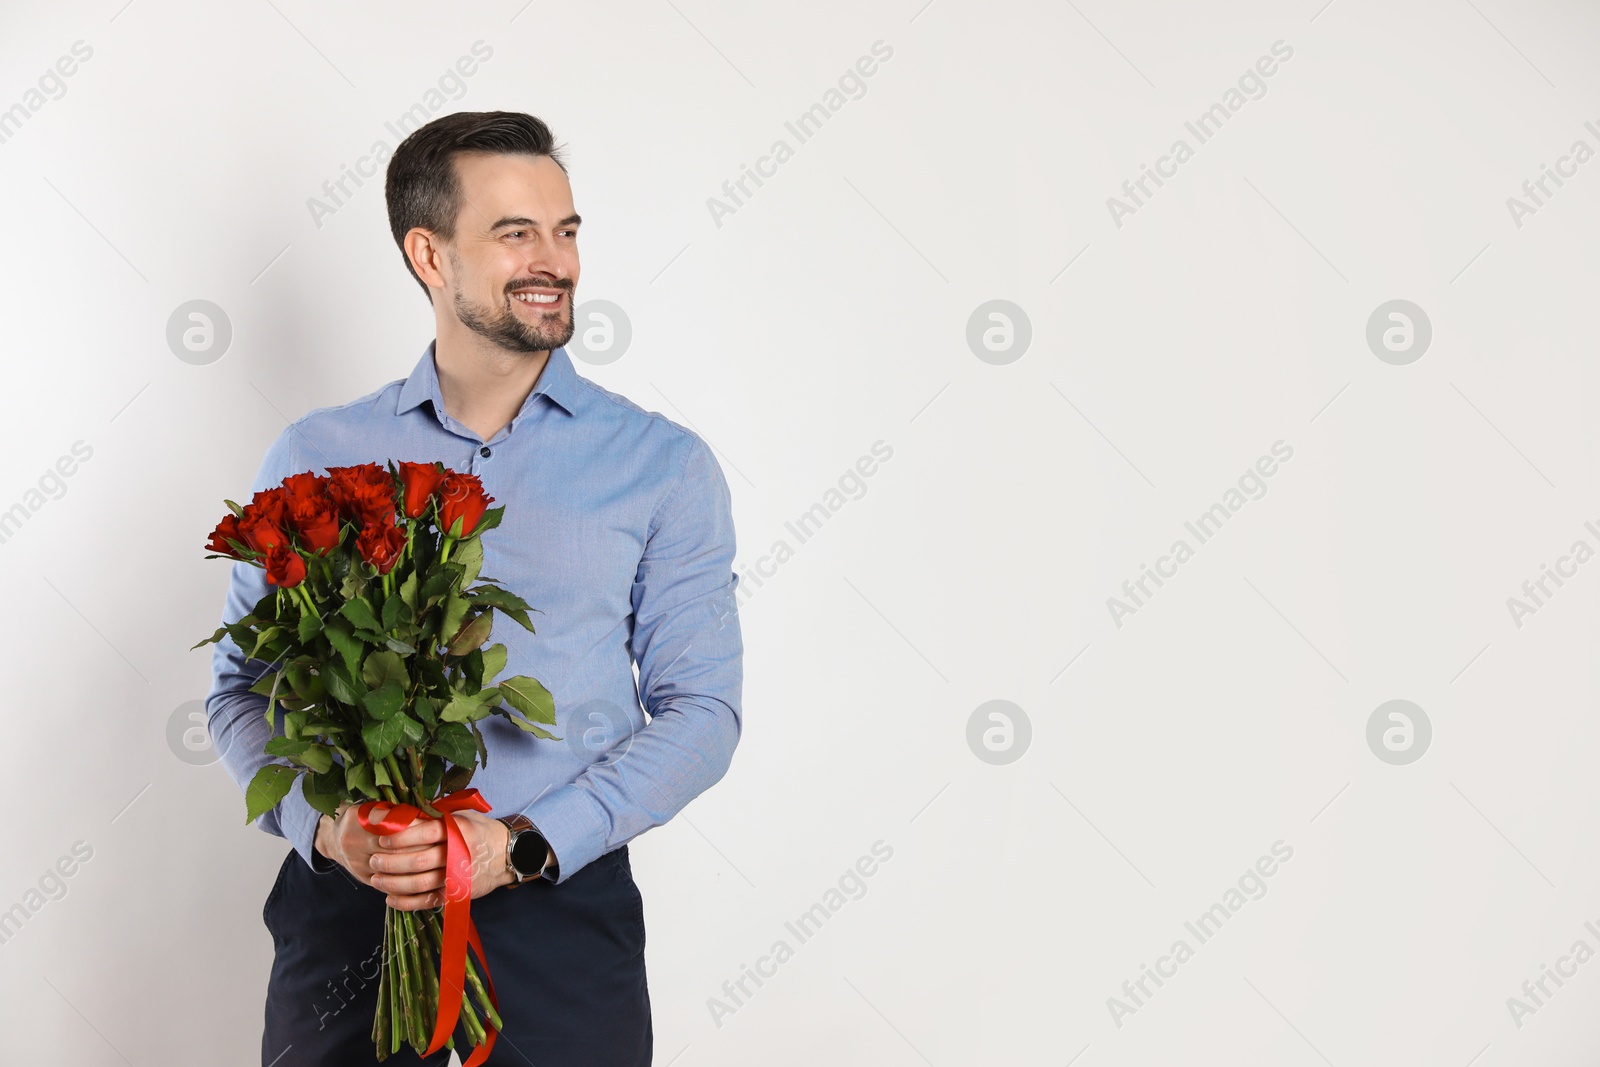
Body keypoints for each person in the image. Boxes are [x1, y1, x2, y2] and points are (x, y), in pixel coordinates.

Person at [205, 110, 744, 1066]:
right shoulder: (313, 457)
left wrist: (524, 843)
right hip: (351, 908)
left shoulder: (662, 465)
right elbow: (240, 691)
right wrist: (328, 830)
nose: (557, 260)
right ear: (428, 253)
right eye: (515, 233)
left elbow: (701, 710)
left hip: (559, 897)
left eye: (567, 230)